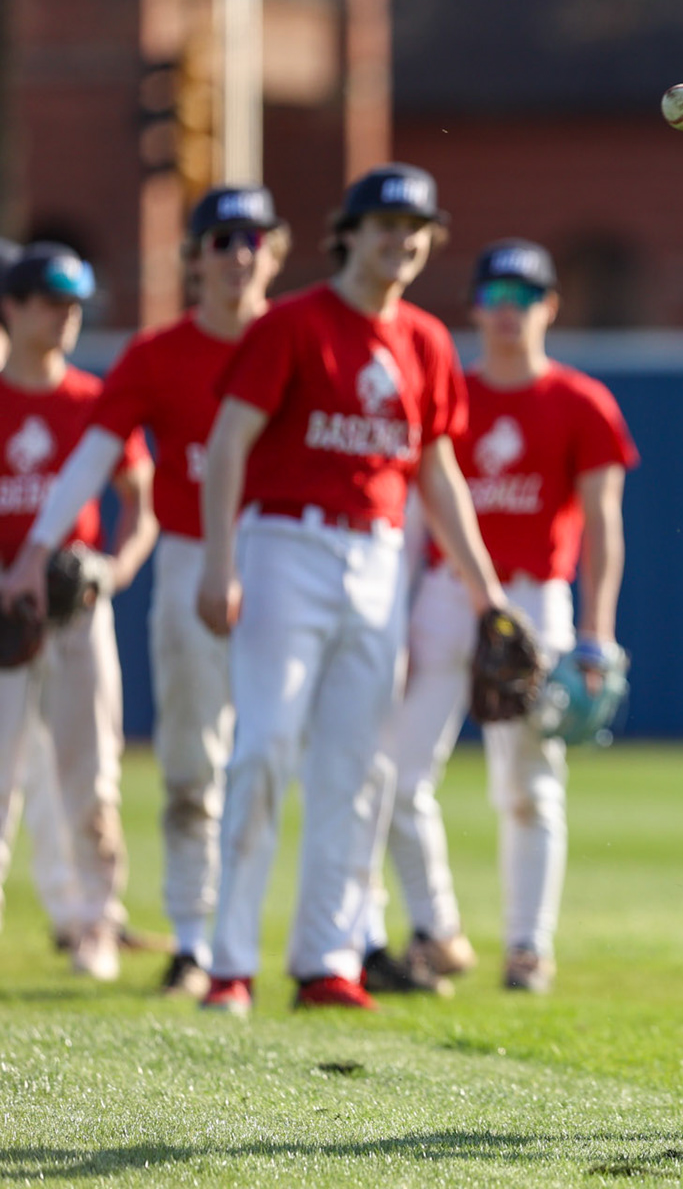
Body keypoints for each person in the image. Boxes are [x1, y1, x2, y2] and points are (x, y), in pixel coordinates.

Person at [194, 163, 510, 1015]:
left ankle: (328, 959)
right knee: (263, 748)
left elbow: (437, 473)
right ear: (349, 234)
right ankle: (228, 962)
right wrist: (218, 562)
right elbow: (227, 447)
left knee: (361, 765)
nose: (402, 242)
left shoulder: (428, 341)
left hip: (378, 558)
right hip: (283, 543)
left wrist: (485, 593)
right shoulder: (292, 324)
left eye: (417, 229)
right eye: (386, 226)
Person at [0, 187, 288, 997]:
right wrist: (32, 562)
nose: (240, 254)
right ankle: (192, 939)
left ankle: (330, 940)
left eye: (253, 238)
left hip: (255, 558)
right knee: (180, 764)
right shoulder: (155, 360)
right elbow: (96, 468)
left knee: (280, 759)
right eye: (222, 239)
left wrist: (109, 570)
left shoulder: (295, 336)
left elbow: (137, 497)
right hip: (86, 583)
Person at [364, 238, 637, 997]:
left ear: (549, 307)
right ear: (476, 307)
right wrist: (401, 620)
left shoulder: (581, 402)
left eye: (524, 299)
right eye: (495, 298)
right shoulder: (452, 390)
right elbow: (418, 515)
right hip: (449, 597)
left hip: (536, 600)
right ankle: (437, 929)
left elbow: (603, 525)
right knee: (394, 770)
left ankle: (527, 947)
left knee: (529, 786)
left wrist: (597, 633)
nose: (508, 313)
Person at [0, 244, 158, 979]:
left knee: (91, 773)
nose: (64, 316)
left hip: (76, 609)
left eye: (73, 304)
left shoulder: (94, 402)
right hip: (4, 610)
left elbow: (142, 504)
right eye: (49, 301)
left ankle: (97, 923)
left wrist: (118, 570)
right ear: (14, 305)